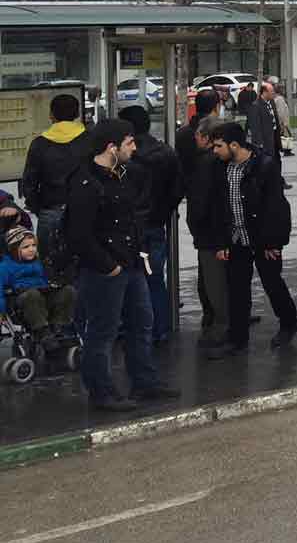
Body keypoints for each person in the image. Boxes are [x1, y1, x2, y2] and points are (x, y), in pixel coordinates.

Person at [65, 120, 177, 411]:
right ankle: (102, 392)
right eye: (129, 143)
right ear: (111, 147)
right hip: (105, 269)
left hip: (131, 262)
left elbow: (133, 216)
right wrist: (108, 265)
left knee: (141, 322)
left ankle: (145, 382)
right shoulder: (86, 183)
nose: (134, 148)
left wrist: (138, 253)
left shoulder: (123, 175)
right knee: (103, 330)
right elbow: (79, 235)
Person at [207, 122, 297, 357]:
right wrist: (221, 242)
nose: (215, 151)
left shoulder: (264, 165)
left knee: (272, 283)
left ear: (234, 145)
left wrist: (273, 242)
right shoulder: (220, 167)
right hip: (236, 239)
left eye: (218, 146)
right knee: (237, 289)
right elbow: (218, 207)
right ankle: (237, 339)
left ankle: (289, 322)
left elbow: (277, 207)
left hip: (263, 238)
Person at [117, 106, 182, 346]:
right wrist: (162, 212)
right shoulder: (165, 152)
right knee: (154, 278)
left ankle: (135, 328)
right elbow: (177, 189)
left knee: (127, 280)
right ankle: (159, 328)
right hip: (155, 225)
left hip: (129, 228)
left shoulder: (125, 157)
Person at [177, 93, 228, 344]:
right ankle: (219, 322)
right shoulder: (217, 162)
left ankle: (220, 324)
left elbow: (203, 202)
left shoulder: (204, 163)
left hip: (209, 233)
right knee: (213, 280)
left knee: (213, 281)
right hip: (212, 232)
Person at [19, 93, 88, 272]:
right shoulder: (90, 140)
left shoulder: (40, 144)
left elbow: (29, 182)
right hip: (84, 210)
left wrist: (38, 207)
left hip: (50, 210)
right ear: (77, 114)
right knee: (83, 266)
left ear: (52, 115)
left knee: (51, 267)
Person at [1, 222, 75, 340]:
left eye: (33, 245)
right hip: (21, 302)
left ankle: (59, 327)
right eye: (26, 247)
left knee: (68, 291)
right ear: (14, 249)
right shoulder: (5, 267)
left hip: (43, 297)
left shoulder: (39, 263)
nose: (31, 249)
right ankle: (42, 332)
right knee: (32, 295)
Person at [246, 81, 285, 189]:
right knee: (267, 163)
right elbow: (255, 127)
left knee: (277, 160)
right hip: (265, 141)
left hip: (274, 138)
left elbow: (275, 118)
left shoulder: (271, 102)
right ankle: (270, 184)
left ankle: (279, 181)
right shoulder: (256, 106)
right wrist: (259, 143)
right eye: (271, 91)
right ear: (264, 92)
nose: (273, 93)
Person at [270, 78, 294, 157]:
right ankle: (286, 149)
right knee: (285, 136)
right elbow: (281, 112)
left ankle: (285, 149)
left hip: (281, 121)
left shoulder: (276, 99)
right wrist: (283, 123)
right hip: (284, 121)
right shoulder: (280, 99)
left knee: (283, 136)